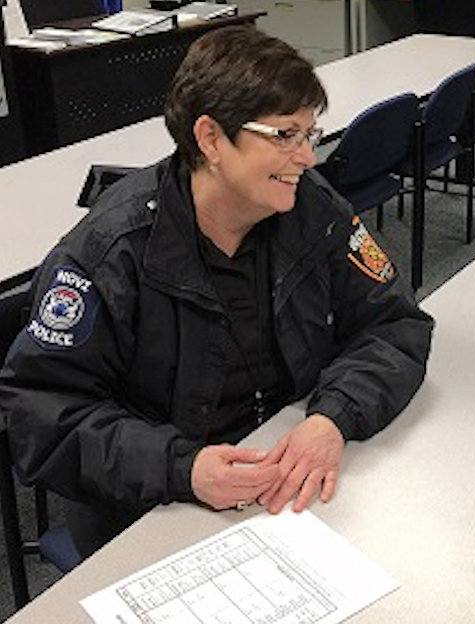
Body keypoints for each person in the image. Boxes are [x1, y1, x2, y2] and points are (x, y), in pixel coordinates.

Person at [0, 26, 434, 558]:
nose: (308, 159)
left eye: (309, 135)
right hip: (153, 509)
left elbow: (394, 325)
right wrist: (182, 467)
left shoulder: (311, 211)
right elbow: (41, 414)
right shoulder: (109, 254)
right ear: (210, 139)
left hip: (280, 478)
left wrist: (332, 417)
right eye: (284, 136)